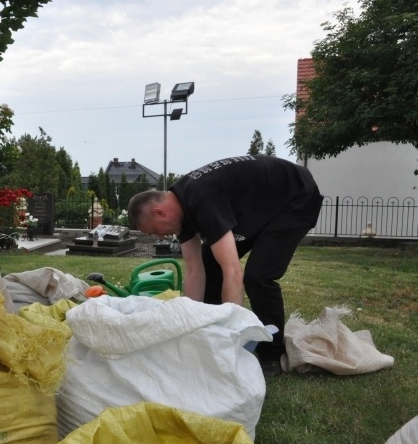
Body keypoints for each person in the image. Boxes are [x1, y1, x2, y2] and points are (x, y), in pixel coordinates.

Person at [128, 155, 322, 376]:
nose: (160, 236)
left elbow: (232, 272)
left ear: (159, 212)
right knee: (209, 261)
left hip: (295, 197)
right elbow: (195, 270)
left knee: (258, 276)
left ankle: (271, 354)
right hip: (260, 204)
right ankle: (211, 333)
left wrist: (232, 338)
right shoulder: (181, 207)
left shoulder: (202, 199)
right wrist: (186, 325)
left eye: (154, 230)